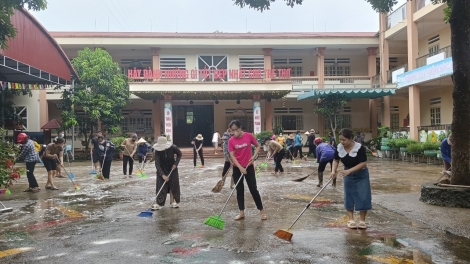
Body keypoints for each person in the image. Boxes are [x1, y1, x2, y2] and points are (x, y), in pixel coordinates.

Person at [330, 128, 371, 229]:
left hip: (361, 174)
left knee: (363, 195)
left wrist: (349, 171)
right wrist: (333, 171)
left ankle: (362, 220)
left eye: (344, 140)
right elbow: (336, 160)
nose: (342, 142)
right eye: (340, 140)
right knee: (348, 195)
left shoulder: (359, 148)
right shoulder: (339, 147)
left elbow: (363, 163)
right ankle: (351, 219)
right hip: (347, 173)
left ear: (351, 138)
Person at [228, 120, 267, 221]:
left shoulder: (248, 136)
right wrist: (240, 167)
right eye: (233, 130)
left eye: (236, 129)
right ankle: (241, 213)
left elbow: (258, 146)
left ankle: (262, 211)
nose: (235, 132)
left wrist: (254, 156)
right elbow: (232, 156)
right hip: (237, 168)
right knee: (239, 190)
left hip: (249, 166)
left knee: (253, 189)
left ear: (240, 128)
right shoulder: (231, 140)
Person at [152, 136, 182, 210]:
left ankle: (172, 202)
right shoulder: (157, 151)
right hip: (161, 169)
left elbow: (179, 154)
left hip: (172, 168)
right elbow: (157, 164)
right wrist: (162, 175)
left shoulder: (173, 147)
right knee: (160, 185)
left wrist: (176, 164)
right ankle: (159, 203)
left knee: (173, 185)